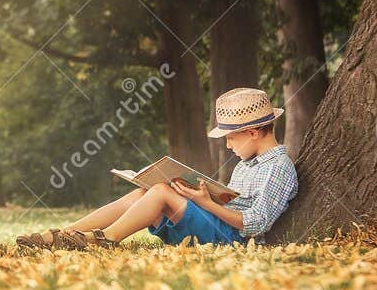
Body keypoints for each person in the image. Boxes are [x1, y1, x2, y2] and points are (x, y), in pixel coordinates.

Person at [16, 87, 298, 250]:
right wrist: (199, 195)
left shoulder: (278, 168)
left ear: (251, 132)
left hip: (232, 238)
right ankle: (63, 235)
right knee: (144, 192)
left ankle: (106, 239)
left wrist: (205, 204)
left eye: (230, 137)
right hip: (218, 224)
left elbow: (257, 224)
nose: (227, 145)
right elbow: (233, 203)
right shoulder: (247, 165)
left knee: (161, 191)